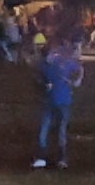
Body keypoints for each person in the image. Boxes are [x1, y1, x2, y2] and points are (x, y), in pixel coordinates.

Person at [33, 26, 82, 169]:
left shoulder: (63, 63)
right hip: (49, 103)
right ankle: (42, 157)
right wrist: (43, 85)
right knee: (44, 130)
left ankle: (62, 158)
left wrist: (77, 80)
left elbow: (79, 68)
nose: (48, 58)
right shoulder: (44, 66)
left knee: (61, 131)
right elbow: (37, 80)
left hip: (64, 102)